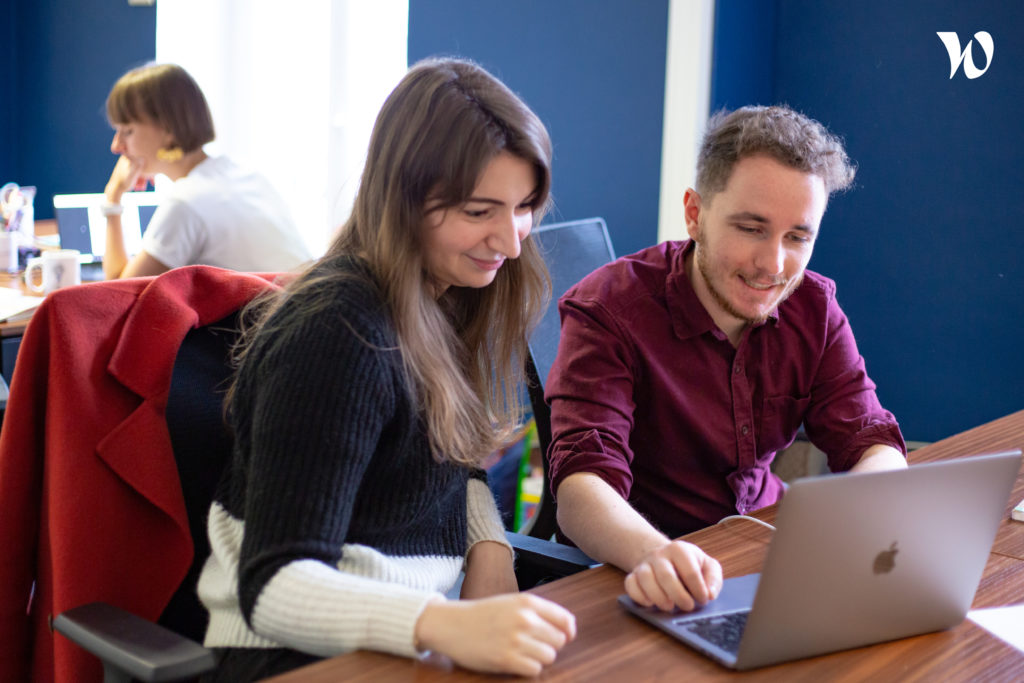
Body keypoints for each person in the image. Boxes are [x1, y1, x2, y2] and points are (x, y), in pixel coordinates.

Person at [195, 58, 576, 681]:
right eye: (480, 212)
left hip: (413, 637)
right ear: (403, 198)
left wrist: (489, 548)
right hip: (295, 655)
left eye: (525, 206)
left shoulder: (446, 290)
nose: (510, 241)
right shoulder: (337, 333)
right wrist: (443, 622)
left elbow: (447, 454)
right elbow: (274, 587)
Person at [546, 105, 907, 614]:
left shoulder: (814, 308)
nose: (773, 265)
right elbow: (582, 488)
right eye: (751, 228)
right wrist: (656, 555)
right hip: (643, 569)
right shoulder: (608, 309)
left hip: (764, 549)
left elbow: (870, 437)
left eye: (798, 237)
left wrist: (872, 507)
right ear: (694, 214)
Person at [101, 63, 312, 279]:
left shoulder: (185, 203)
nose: (116, 146)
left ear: (168, 129)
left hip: (271, 313)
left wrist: (113, 198)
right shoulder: (246, 175)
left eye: (127, 131)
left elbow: (118, 293)